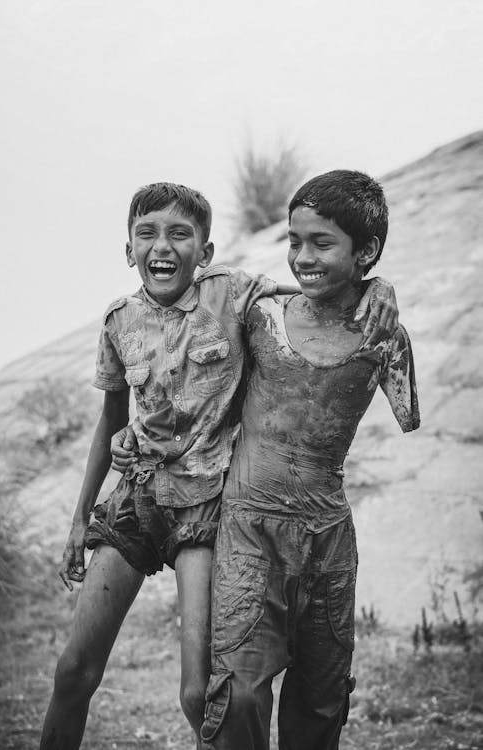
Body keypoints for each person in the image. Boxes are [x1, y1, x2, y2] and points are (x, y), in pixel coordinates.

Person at [40, 181, 399, 750]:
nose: (162, 246)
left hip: (206, 509)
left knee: (198, 691)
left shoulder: (232, 294)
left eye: (180, 234)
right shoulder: (117, 322)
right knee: (73, 672)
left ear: (205, 253)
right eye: (147, 233)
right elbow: (110, 423)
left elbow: (314, 294)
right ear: (127, 247)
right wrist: (81, 516)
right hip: (137, 498)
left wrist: (380, 286)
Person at [199, 171, 420, 750]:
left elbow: (408, 411)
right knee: (240, 691)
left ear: (365, 251)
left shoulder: (384, 338)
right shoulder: (262, 317)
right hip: (248, 526)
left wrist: (382, 290)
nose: (302, 256)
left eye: (322, 243)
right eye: (294, 241)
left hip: (327, 537)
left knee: (322, 699)